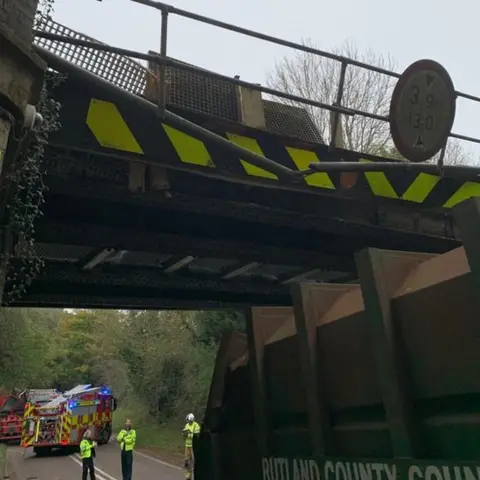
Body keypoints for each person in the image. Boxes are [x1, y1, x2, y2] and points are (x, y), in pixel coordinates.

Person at [182, 413, 201, 480]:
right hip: (187, 445)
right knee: (187, 461)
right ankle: (188, 476)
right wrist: (184, 434)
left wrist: (189, 434)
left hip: (193, 446)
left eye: (189, 420)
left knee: (195, 462)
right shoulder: (186, 425)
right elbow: (184, 434)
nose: (188, 422)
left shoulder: (196, 426)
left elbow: (197, 436)